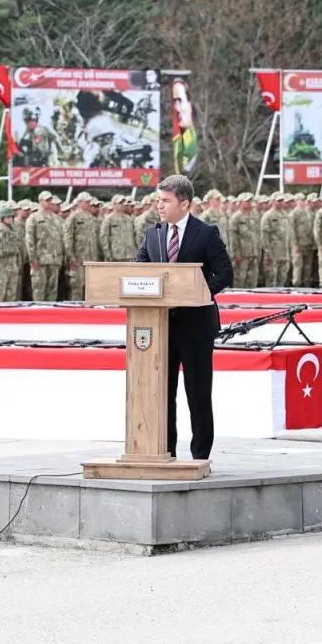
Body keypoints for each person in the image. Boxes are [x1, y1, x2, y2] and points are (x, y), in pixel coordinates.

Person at [135, 174, 233, 461]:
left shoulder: (205, 233)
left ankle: (200, 455)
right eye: (158, 200)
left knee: (197, 393)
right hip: (161, 326)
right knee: (164, 393)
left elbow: (224, 273)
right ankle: (166, 451)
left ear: (184, 203)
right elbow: (141, 267)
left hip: (196, 327)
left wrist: (197, 293)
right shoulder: (153, 233)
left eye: (166, 201)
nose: (159, 206)